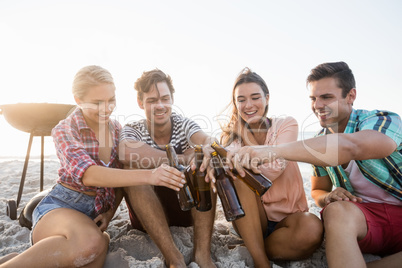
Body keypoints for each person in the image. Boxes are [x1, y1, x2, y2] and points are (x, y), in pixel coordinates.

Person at [0, 65, 185, 268]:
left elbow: (122, 177)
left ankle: (23, 258)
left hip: (91, 218)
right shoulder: (65, 129)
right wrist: (151, 175)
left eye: (111, 100)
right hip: (60, 208)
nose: (107, 108)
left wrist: (109, 213)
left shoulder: (117, 129)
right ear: (79, 100)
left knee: (96, 249)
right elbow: (89, 175)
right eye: (97, 103)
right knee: (93, 242)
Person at [225, 62, 402, 268]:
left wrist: (271, 151)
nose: (317, 105)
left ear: (351, 96)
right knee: (334, 210)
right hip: (365, 222)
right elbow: (318, 190)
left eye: (326, 97)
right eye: (313, 98)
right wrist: (328, 196)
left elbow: (351, 146)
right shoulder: (319, 140)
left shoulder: (383, 121)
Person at [215, 67, 323, 267]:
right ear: (235, 103)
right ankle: (260, 260)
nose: (248, 105)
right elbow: (232, 173)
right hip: (251, 218)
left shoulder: (285, 124)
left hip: (290, 218)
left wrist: (245, 161)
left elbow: (275, 167)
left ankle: (256, 246)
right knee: (238, 177)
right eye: (241, 100)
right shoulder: (231, 137)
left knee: (312, 228)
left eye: (255, 97)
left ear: (267, 98)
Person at [119, 69, 217, 268]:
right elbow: (125, 152)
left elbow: (206, 140)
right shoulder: (133, 128)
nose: (160, 105)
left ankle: (203, 255)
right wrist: (180, 158)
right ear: (141, 103)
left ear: (172, 100)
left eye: (165, 98)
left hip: (188, 212)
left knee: (204, 160)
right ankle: (174, 258)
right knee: (131, 168)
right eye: (152, 100)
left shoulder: (183, 124)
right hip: (148, 217)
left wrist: (207, 147)